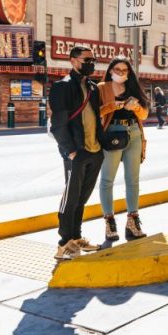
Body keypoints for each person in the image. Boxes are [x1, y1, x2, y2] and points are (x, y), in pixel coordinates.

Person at [48, 46, 105, 261]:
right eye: (86, 59)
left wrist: (101, 146)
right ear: (73, 61)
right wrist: (70, 151)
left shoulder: (92, 87)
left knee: (82, 198)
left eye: (93, 59)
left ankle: (76, 237)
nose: (91, 62)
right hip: (76, 152)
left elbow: (95, 117)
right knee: (70, 199)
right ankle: (64, 244)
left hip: (95, 151)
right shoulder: (62, 87)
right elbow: (58, 125)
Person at [98, 56, 150, 242]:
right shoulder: (102, 87)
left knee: (133, 180)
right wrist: (115, 105)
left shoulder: (133, 87)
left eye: (124, 70)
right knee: (107, 179)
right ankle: (109, 221)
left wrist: (135, 107)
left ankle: (133, 220)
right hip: (112, 133)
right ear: (110, 70)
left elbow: (144, 114)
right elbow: (95, 112)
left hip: (134, 132)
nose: (121, 73)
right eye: (117, 70)